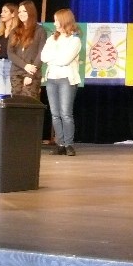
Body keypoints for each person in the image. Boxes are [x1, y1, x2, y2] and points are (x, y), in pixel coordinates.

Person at [41, 9, 82, 156]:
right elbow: (43, 57)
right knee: (55, 114)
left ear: (65, 21)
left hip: (67, 79)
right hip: (51, 78)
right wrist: (56, 56)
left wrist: (53, 57)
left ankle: (69, 145)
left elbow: (65, 60)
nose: (55, 23)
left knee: (65, 113)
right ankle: (60, 144)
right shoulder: (52, 39)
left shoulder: (75, 40)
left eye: (57, 20)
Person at [8, 0, 47, 99]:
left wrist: (30, 75)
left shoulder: (40, 31)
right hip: (16, 73)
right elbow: (10, 53)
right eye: (19, 12)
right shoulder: (14, 31)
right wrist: (25, 66)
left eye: (24, 11)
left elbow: (41, 54)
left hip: (32, 74)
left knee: (29, 103)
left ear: (31, 12)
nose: (21, 14)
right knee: (16, 104)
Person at [0, 3, 17, 94]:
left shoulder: (17, 31)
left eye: (5, 11)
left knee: (9, 96)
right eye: (2, 11)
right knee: (0, 96)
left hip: (12, 65)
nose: (1, 14)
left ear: (13, 14)